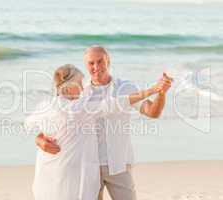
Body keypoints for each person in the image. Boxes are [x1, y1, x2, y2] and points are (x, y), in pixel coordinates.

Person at [35, 46, 173, 200]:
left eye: (100, 61)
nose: (96, 67)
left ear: (108, 60)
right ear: (86, 65)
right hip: (87, 166)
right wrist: (39, 139)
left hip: (118, 164)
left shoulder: (125, 87)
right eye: (91, 63)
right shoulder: (79, 90)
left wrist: (161, 93)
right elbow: (58, 117)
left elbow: (152, 112)